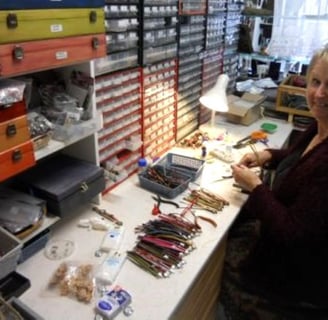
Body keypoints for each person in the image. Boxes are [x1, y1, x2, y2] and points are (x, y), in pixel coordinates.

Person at [218, 45, 328, 320]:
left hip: (291, 282)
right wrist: (270, 155)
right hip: (275, 246)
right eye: (316, 81)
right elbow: (301, 159)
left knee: (216, 260)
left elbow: (293, 234)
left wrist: (255, 187)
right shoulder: (319, 125)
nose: (320, 94)